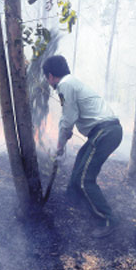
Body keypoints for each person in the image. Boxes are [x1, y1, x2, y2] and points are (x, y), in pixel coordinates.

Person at [42, 55, 123, 238]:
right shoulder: (71, 83)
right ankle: (73, 200)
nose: (49, 83)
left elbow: (68, 119)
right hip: (105, 131)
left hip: (105, 132)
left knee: (85, 179)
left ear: (51, 75)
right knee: (81, 159)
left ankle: (109, 220)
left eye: (47, 79)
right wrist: (64, 136)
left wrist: (60, 145)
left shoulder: (65, 85)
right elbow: (70, 116)